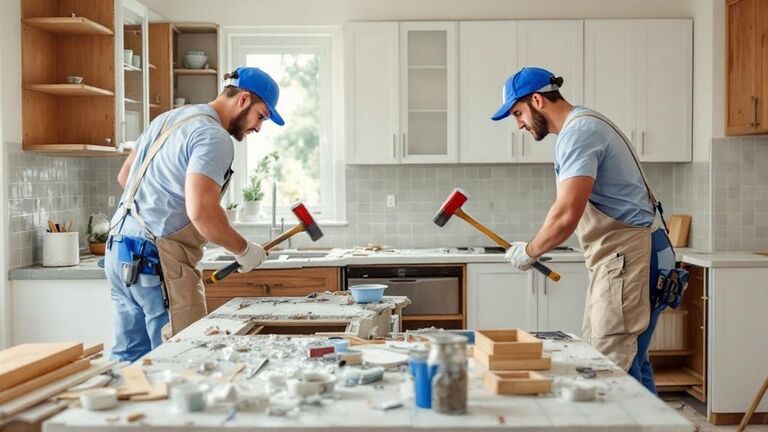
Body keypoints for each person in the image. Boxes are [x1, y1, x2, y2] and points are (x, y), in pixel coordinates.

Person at [492, 66, 685, 393]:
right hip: (633, 255)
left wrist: (530, 251)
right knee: (630, 360)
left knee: (613, 366)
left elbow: (567, 212)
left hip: (633, 258)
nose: (519, 124)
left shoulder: (579, 133)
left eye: (518, 113)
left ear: (537, 100)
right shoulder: (585, 124)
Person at [105, 67, 285, 362]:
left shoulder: (167, 119)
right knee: (180, 360)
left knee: (130, 360)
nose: (258, 127)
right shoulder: (214, 136)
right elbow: (202, 211)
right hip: (156, 258)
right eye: (261, 116)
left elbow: (125, 177)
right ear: (243, 99)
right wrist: (243, 249)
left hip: (119, 249)